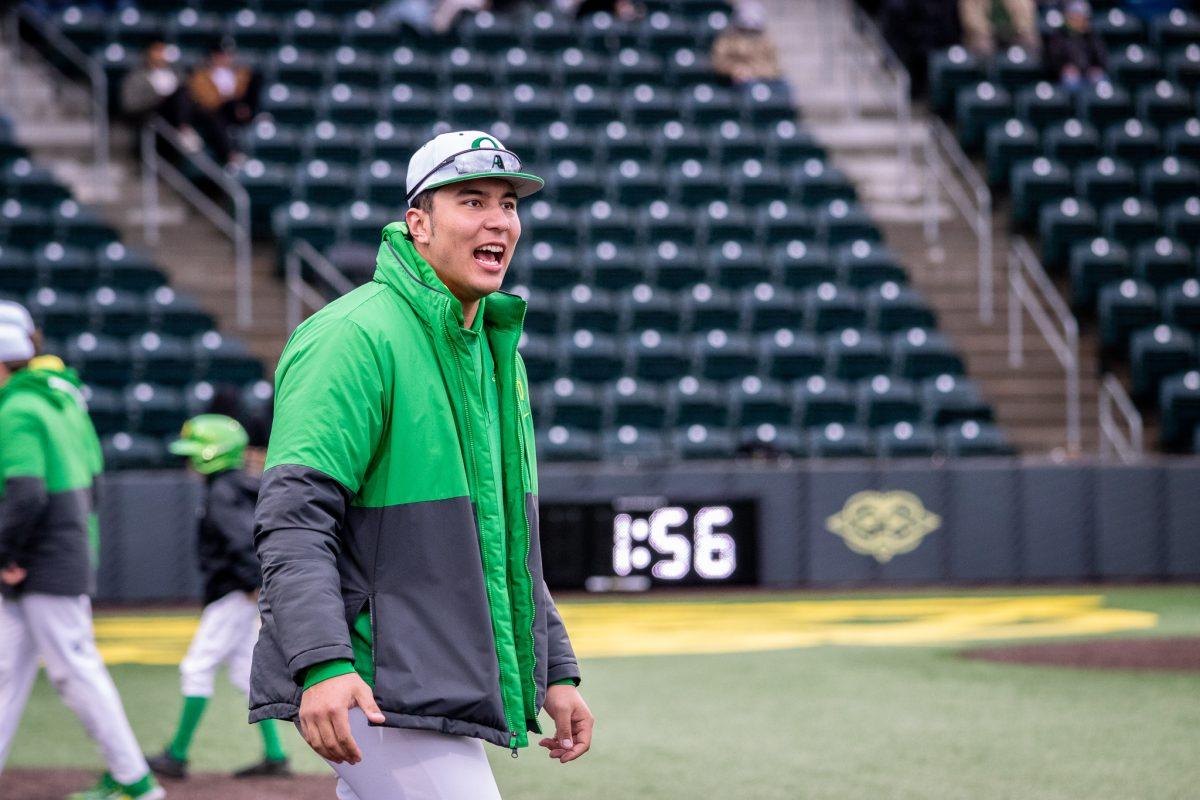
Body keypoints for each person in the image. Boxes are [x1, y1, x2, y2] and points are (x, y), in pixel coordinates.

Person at [249, 130, 593, 799]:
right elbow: (293, 522)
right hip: (376, 678)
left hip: (432, 680)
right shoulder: (351, 336)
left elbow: (504, 543)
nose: (498, 220)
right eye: (472, 201)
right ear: (418, 223)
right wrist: (322, 663)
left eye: (509, 204)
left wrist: (554, 669)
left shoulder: (494, 350)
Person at [0, 323, 165, 800]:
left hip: (40, 560)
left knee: (75, 669)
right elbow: (92, 480)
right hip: (59, 551)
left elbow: (25, 492)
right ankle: (134, 778)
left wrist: (6, 554)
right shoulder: (63, 401)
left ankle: (137, 781)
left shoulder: (16, 409)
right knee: (8, 671)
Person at [146, 415, 290, 781]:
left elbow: (243, 543)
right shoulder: (234, 487)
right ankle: (275, 754)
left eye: (195, 453)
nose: (189, 461)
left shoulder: (223, 492)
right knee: (245, 671)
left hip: (234, 593)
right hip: (240, 591)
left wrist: (252, 582)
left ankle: (176, 755)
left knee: (197, 667)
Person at [119, 41, 203, 153]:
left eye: (163, 51)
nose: (161, 55)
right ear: (148, 53)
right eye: (157, 51)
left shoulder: (177, 73)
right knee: (179, 94)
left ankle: (184, 129)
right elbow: (129, 104)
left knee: (185, 93)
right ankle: (184, 130)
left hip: (176, 112)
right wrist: (156, 99)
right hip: (151, 113)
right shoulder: (136, 76)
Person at [186, 41, 260, 166]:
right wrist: (225, 100)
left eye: (227, 55)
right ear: (212, 56)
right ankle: (230, 154)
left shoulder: (240, 74)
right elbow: (206, 99)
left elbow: (246, 91)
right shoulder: (201, 75)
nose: (224, 58)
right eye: (220, 55)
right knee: (216, 119)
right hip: (214, 112)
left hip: (237, 110)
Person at [711, 1, 788, 94]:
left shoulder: (767, 42)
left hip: (764, 79)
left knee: (785, 86)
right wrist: (735, 70)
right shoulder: (726, 40)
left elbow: (774, 67)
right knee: (748, 88)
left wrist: (752, 71)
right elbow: (719, 63)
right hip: (737, 82)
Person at [1045, 1, 1106, 90]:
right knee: (1071, 80)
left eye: (1081, 16)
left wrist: (1095, 68)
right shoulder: (1059, 35)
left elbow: (1102, 58)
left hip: (1089, 73)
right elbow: (1053, 60)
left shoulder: (1091, 36)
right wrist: (1064, 68)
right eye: (1074, 16)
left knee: (1100, 80)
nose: (1078, 19)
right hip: (1069, 74)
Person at [959, 0, 1039, 55]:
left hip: (1012, 32)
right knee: (983, 45)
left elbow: (1026, 15)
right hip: (986, 33)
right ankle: (987, 77)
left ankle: (1028, 76)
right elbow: (971, 17)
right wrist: (988, 31)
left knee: (1031, 40)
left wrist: (1019, 30)